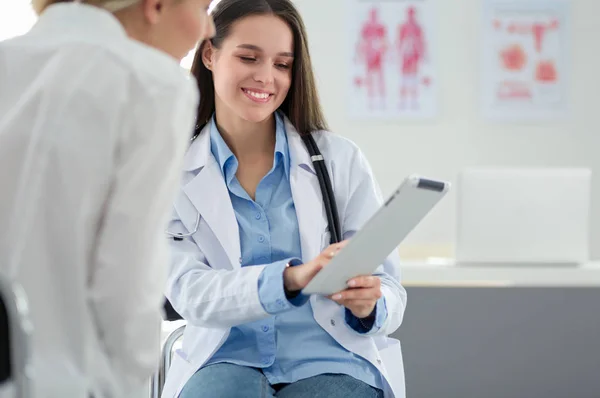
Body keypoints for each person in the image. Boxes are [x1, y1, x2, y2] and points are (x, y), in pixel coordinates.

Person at [162, 1, 407, 397]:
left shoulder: (339, 161)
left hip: (331, 360)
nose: (265, 78)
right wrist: (289, 279)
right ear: (209, 54)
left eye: (282, 64)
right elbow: (188, 292)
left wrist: (369, 304)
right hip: (223, 359)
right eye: (249, 57)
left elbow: (391, 291)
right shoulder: (170, 171)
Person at [0, 0, 214, 396]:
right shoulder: (154, 85)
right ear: (156, 5)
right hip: (70, 380)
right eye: (203, 7)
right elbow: (126, 278)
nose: (209, 29)